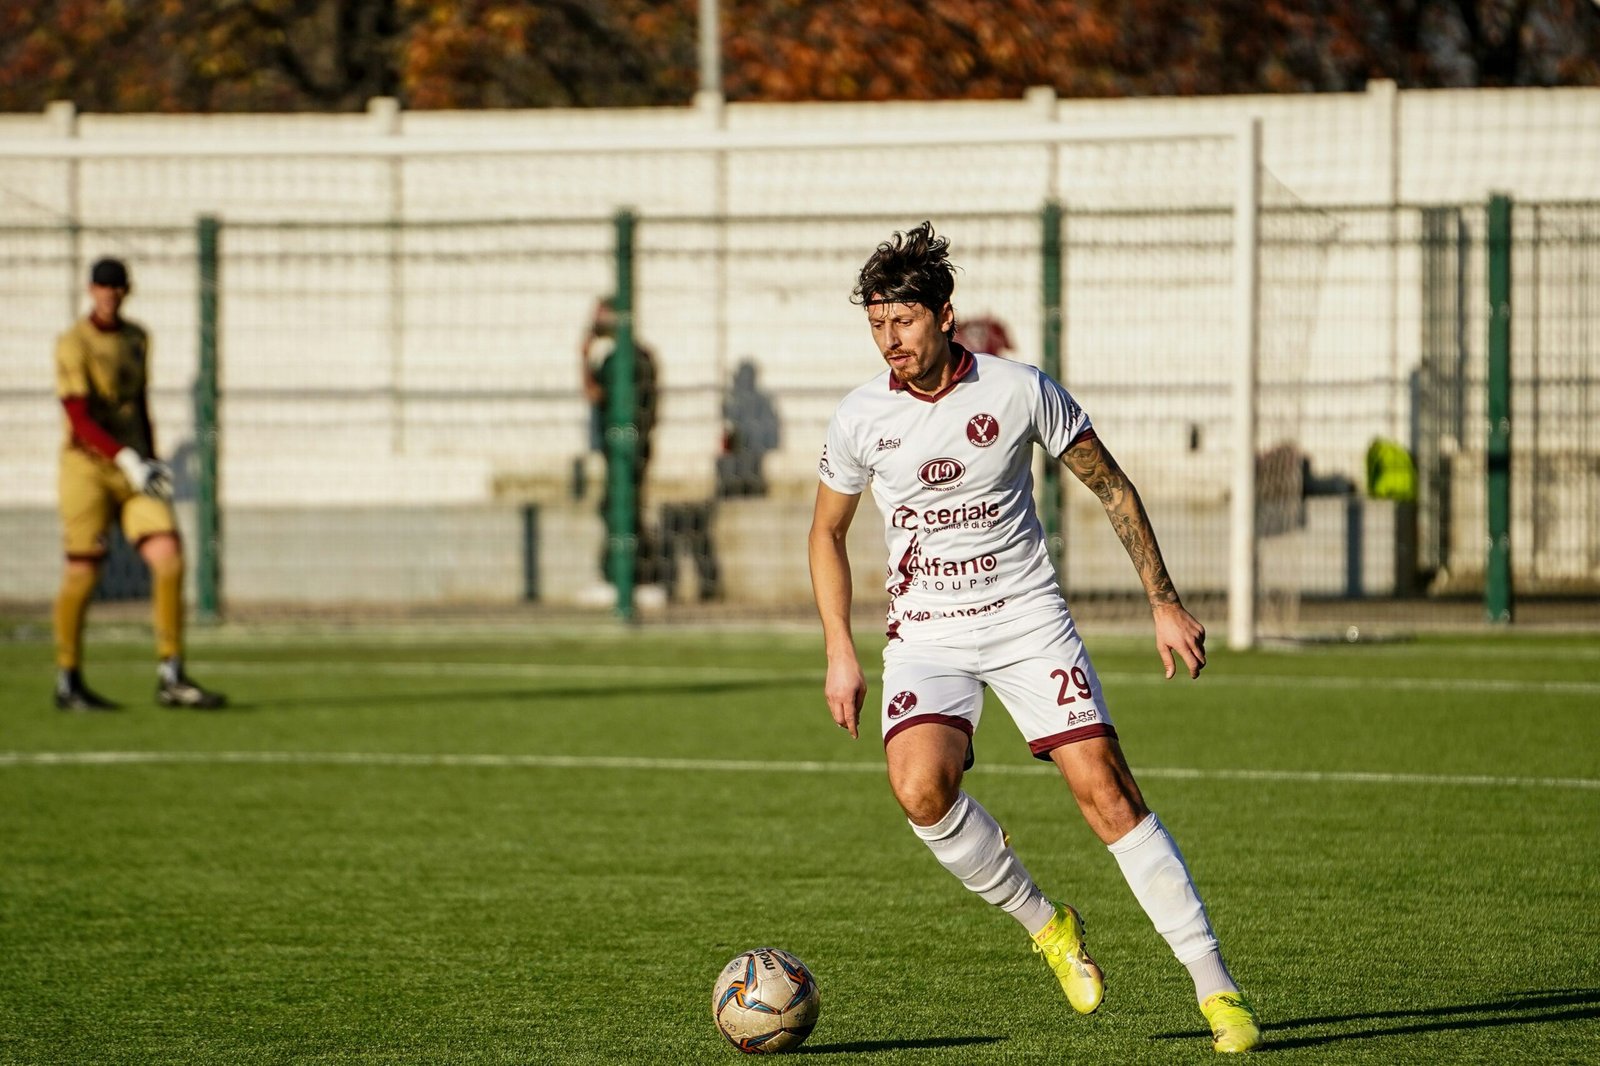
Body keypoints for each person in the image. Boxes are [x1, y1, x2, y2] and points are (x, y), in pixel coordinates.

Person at [807, 223, 1261, 1053]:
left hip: (1026, 621)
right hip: (927, 635)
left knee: (1107, 792)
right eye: (876, 325)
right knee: (919, 790)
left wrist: (1163, 601)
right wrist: (840, 650)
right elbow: (825, 533)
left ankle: (1215, 986)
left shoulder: (1018, 389)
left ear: (945, 315)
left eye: (903, 320)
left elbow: (1111, 486)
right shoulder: (860, 417)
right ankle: (1047, 926)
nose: (889, 340)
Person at [52, 257, 226, 711]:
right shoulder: (73, 344)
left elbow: (139, 404)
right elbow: (79, 418)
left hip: (135, 472)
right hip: (87, 469)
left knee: (169, 558)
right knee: (83, 572)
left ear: (126, 292)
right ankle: (68, 678)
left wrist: (149, 457)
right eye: (102, 287)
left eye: (117, 288)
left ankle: (171, 674)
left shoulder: (137, 338)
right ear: (90, 290)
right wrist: (126, 458)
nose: (109, 295)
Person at [579, 295, 661, 591]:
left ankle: (635, 578)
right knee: (618, 509)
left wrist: (583, 355)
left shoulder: (635, 359)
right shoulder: (614, 359)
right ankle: (627, 577)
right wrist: (585, 356)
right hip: (616, 448)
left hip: (631, 448)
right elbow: (594, 393)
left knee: (625, 510)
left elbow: (646, 407)